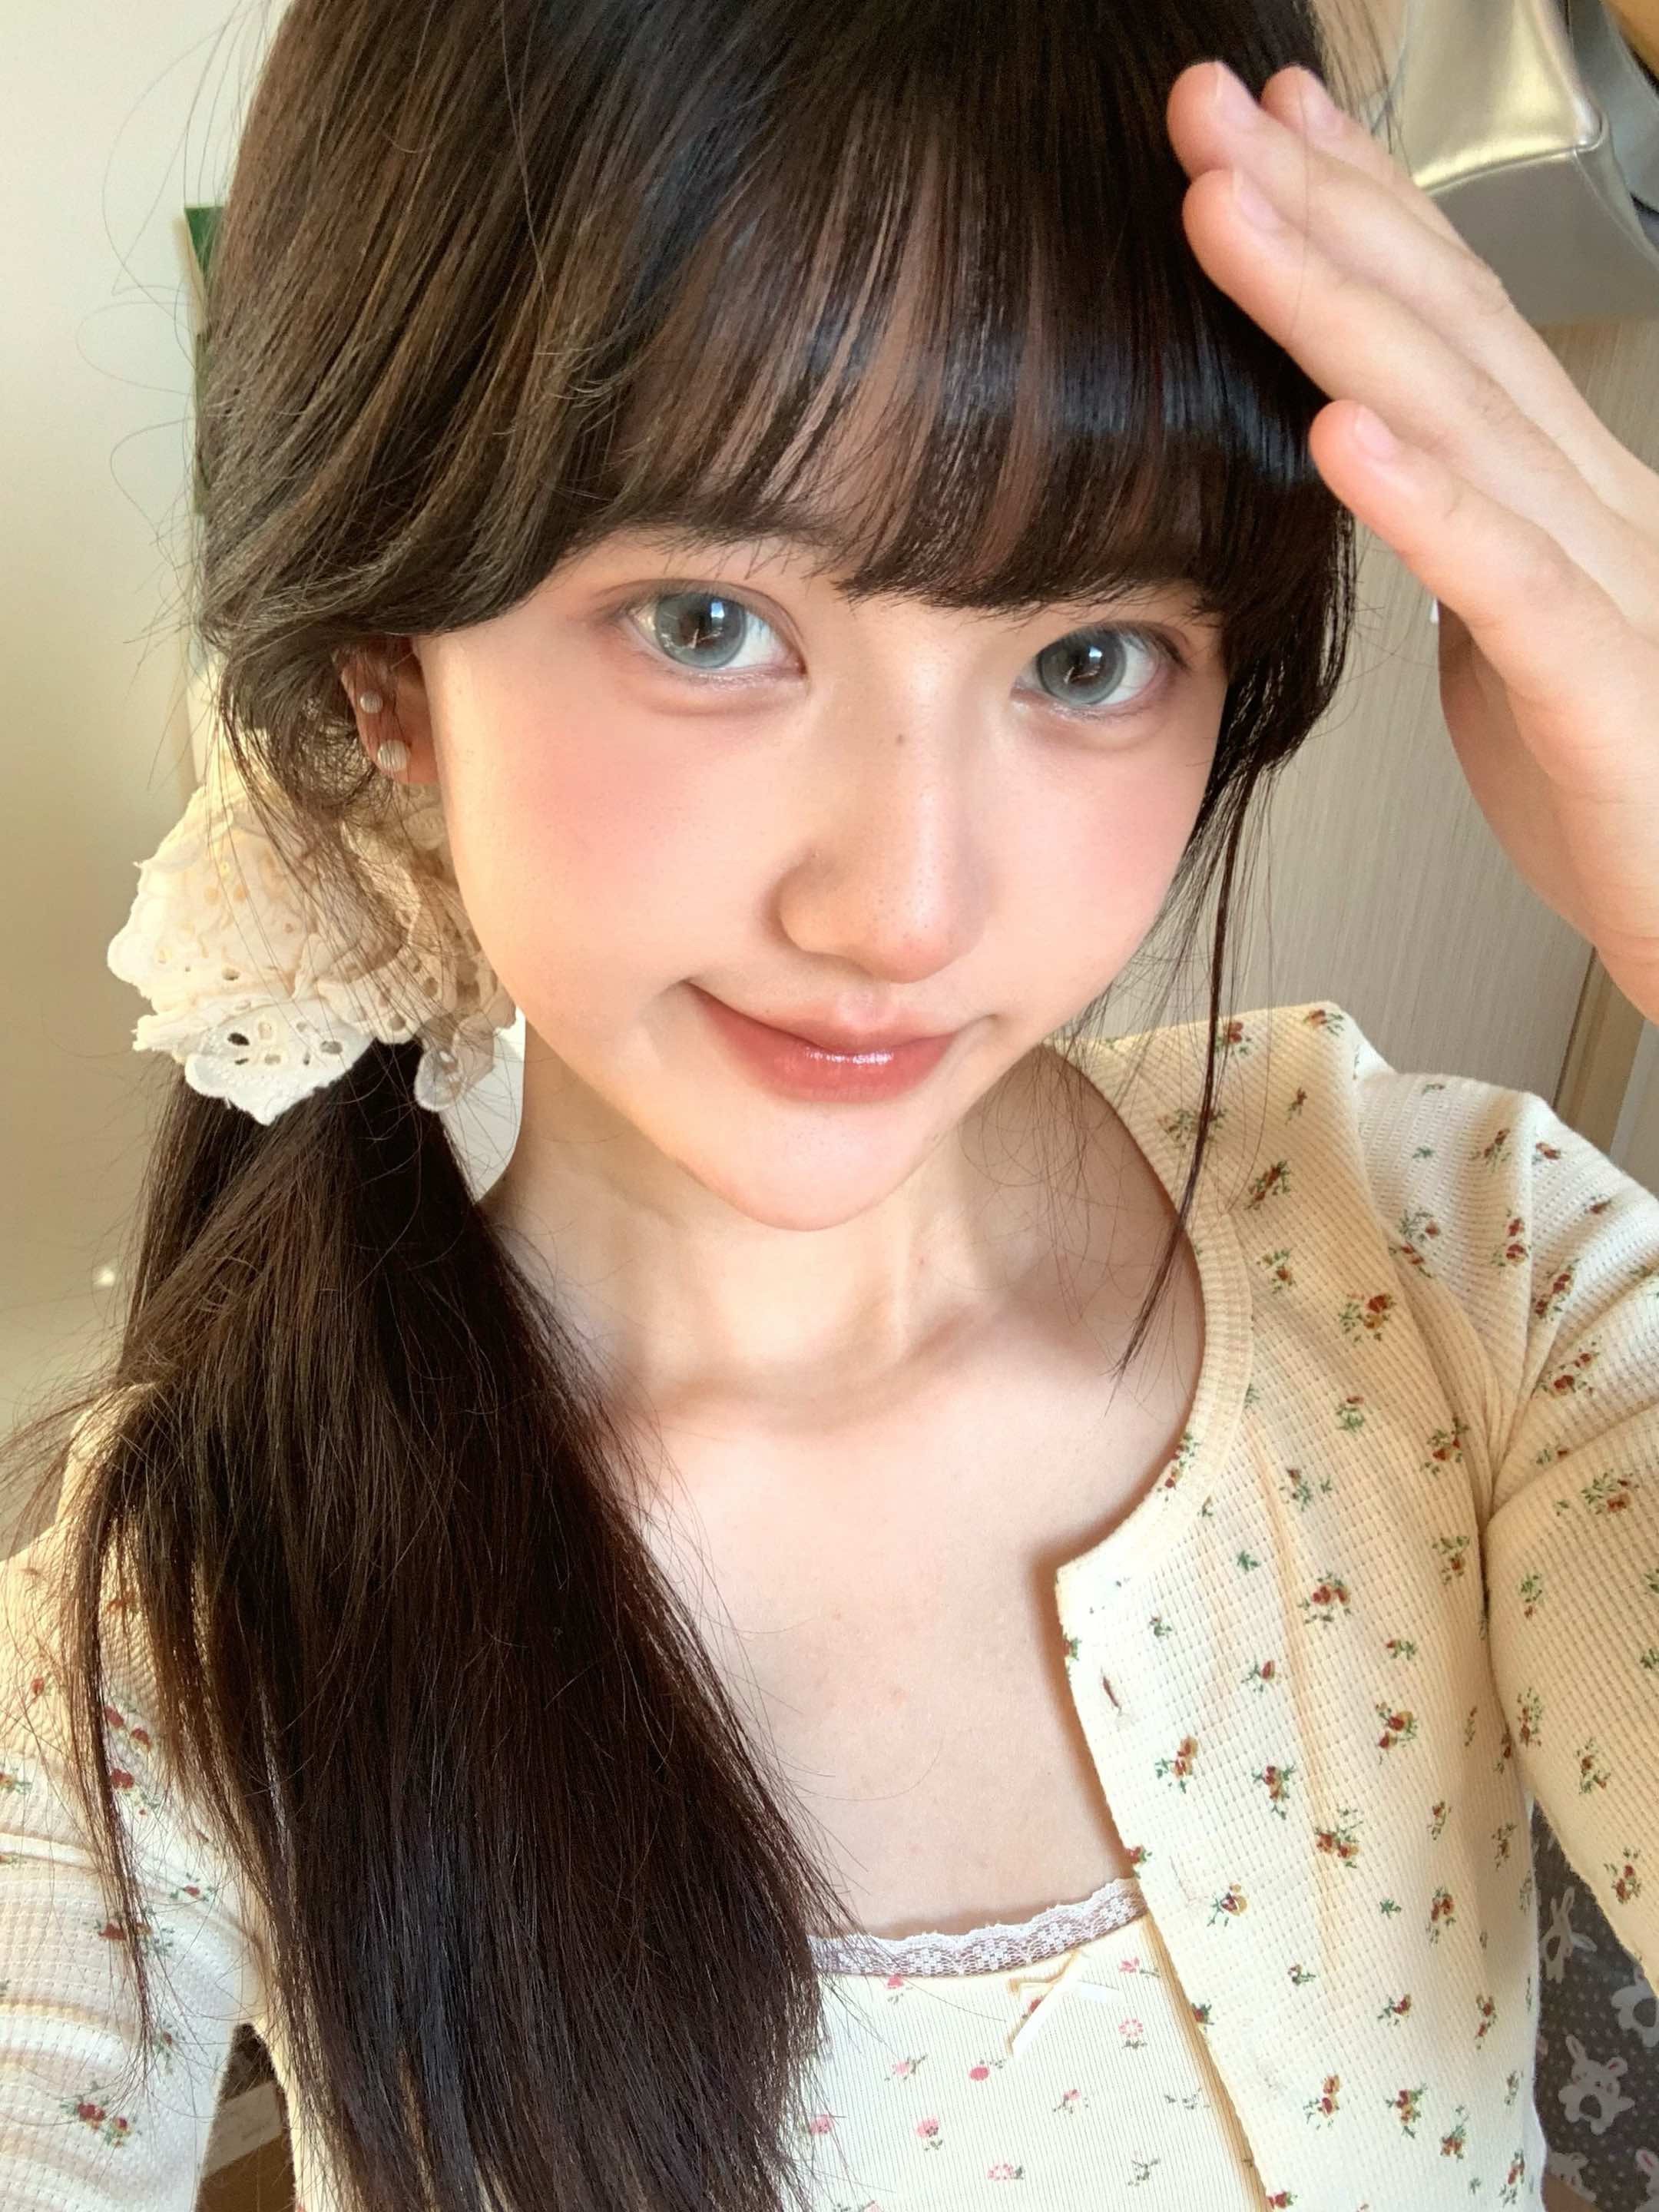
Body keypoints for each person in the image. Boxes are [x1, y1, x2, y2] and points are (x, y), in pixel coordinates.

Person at [2, 0, 1657, 2207]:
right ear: (387, 670)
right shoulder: (187, 1610)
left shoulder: (1465, 1275)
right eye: (707, 621)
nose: (904, 907)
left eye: (1087, 657)